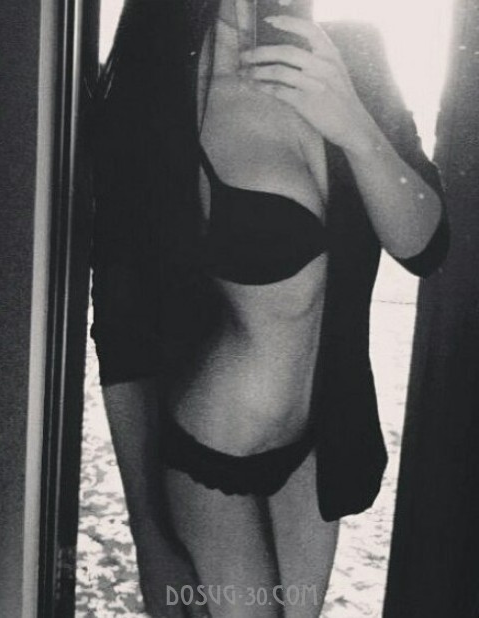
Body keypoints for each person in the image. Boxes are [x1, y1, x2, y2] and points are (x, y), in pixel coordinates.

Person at [89, 0, 449, 616]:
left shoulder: (354, 58)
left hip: (320, 438)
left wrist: (352, 123)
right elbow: (122, 335)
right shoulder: (157, 90)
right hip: (214, 444)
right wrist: (149, 536)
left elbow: (425, 247)